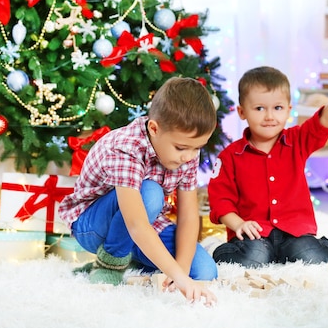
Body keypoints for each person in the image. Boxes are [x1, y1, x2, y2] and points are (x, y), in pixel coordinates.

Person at [58, 77, 218, 305]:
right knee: (151, 192)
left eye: (197, 148)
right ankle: (110, 263)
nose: (189, 157)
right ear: (154, 128)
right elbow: (136, 224)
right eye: (182, 148)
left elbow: (189, 216)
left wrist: (181, 272)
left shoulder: (188, 149)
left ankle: (130, 259)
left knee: (204, 272)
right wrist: (179, 277)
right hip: (92, 225)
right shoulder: (126, 147)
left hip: (147, 221)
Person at [207, 66, 328, 268]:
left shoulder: (297, 140)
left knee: (310, 255)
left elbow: (323, 121)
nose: (270, 116)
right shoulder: (229, 156)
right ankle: (232, 251)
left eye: (277, 108)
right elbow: (221, 201)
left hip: (295, 233)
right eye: (259, 109)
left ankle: (309, 248)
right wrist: (239, 224)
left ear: (289, 110)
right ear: (242, 112)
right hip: (255, 236)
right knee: (253, 257)